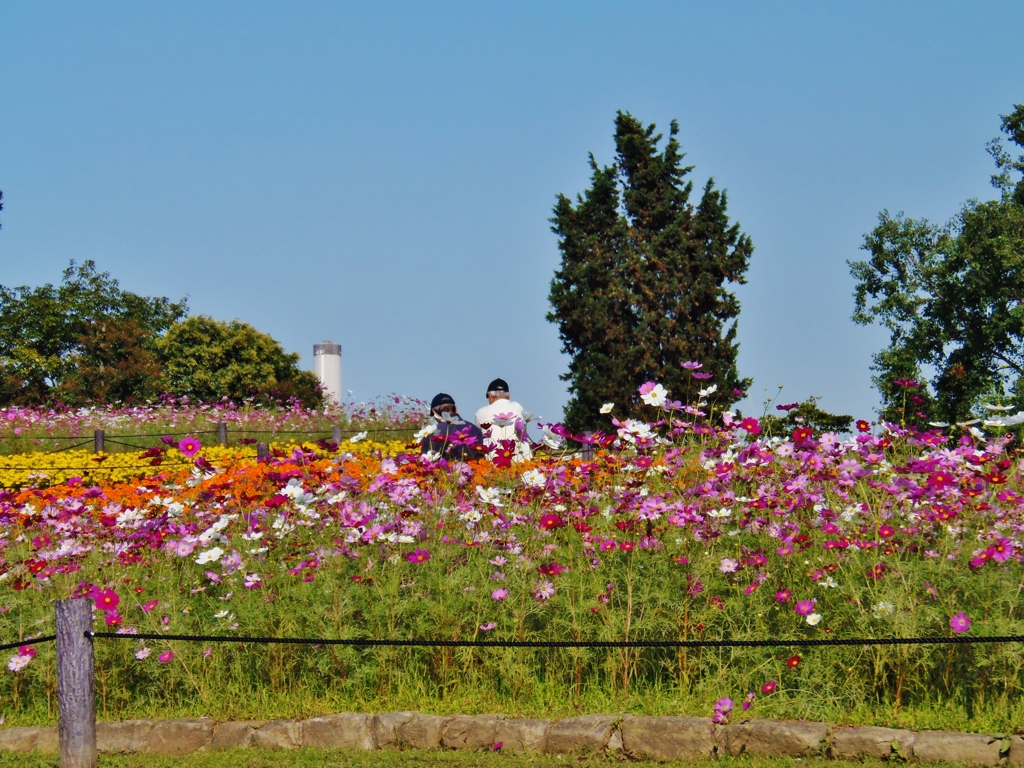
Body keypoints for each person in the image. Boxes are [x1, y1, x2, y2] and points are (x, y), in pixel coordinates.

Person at [474, 378, 533, 461]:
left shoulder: (481, 412)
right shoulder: (517, 407)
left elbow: (478, 436)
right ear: (509, 396)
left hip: (493, 460)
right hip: (520, 460)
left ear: (490, 395)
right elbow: (524, 430)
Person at [421, 393, 486, 461]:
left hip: (446, 470)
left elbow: (426, 461)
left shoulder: (432, 433)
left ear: (434, 412)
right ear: (456, 409)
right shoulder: (476, 429)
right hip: (476, 470)